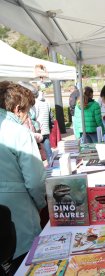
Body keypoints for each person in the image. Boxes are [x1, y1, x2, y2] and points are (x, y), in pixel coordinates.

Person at [0, 81, 46, 274]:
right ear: (17, 109)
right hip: (18, 218)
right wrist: (42, 204)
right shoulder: (18, 132)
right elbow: (35, 181)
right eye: (26, 111)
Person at [34, 90, 53, 164]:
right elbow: (50, 114)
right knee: (47, 143)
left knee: (37, 145)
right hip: (46, 127)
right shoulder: (47, 102)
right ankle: (50, 161)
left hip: (39, 126)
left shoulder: (36, 103)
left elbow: (35, 115)